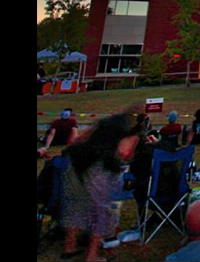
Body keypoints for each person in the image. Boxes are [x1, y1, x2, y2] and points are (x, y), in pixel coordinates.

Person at [60, 111, 144, 261]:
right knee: (102, 210)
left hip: (76, 163)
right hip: (99, 168)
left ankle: (69, 247)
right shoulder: (127, 131)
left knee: (76, 206)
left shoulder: (103, 124)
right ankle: (91, 256)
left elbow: (79, 139)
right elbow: (125, 154)